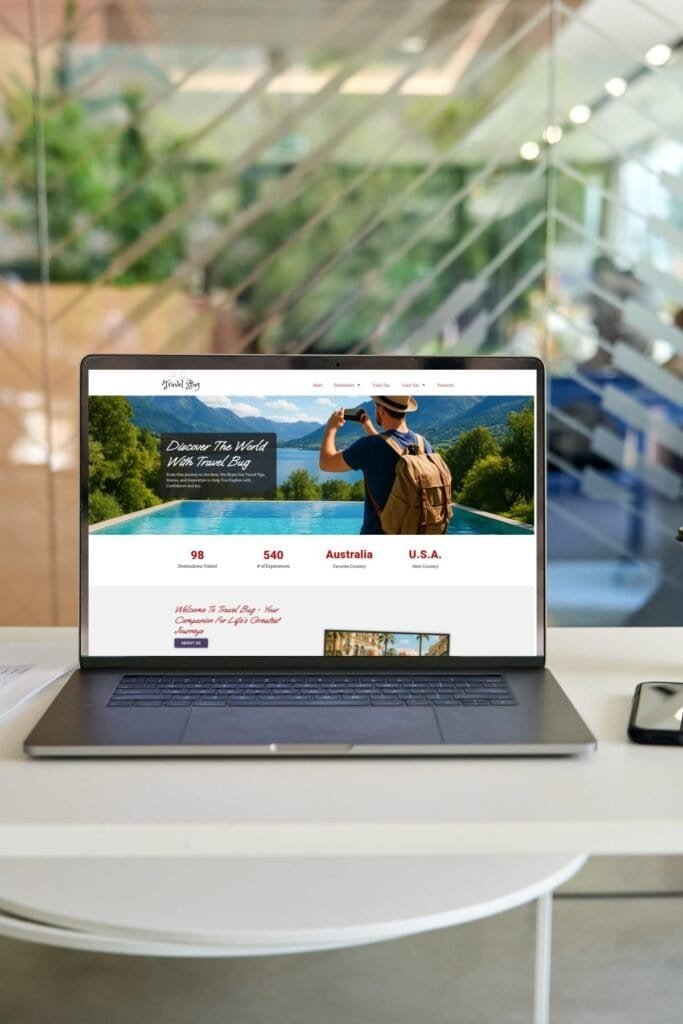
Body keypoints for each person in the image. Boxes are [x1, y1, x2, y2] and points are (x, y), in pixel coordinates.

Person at [319, 395, 436, 535]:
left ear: (381, 410)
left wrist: (331, 428)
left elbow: (326, 463)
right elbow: (391, 448)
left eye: (376, 405)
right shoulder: (424, 444)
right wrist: (368, 427)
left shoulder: (370, 447)